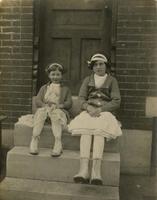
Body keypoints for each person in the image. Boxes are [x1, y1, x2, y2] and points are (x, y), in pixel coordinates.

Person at [68, 53, 122, 185]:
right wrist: (88, 108)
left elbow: (116, 101)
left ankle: (96, 172)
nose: (98, 67)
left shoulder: (112, 80)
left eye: (101, 64)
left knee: (99, 131)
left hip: (104, 112)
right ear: (92, 67)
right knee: (86, 131)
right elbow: (81, 99)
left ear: (106, 66)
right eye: (95, 65)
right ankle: (83, 170)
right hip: (89, 111)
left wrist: (101, 109)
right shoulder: (88, 80)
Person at [30, 63, 72, 157]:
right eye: (53, 74)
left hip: (58, 111)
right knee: (40, 113)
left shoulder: (65, 89)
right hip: (46, 111)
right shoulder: (44, 88)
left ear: (61, 76)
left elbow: (69, 103)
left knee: (56, 115)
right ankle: (35, 139)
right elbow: (37, 100)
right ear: (49, 75)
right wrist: (44, 105)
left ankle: (58, 143)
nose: (55, 77)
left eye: (58, 74)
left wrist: (60, 105)